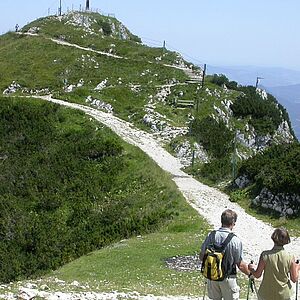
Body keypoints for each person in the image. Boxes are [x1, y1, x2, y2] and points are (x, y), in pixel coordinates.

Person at [200, 209, 250, 300]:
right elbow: (240, 264)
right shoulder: (235, 241)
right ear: (233, 223)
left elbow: (202, 256)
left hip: (212, 277)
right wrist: (250, 274)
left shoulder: (211, 235)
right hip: (228, 278)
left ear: (221, 221)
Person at [248, 227, 300, 300]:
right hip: (284, 294)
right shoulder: (290, 257)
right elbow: (294, 279)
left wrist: (251, 268)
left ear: (273, 238)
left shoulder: (265, 255)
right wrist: (297, 268)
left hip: (266, 293)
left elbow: (257, 275)